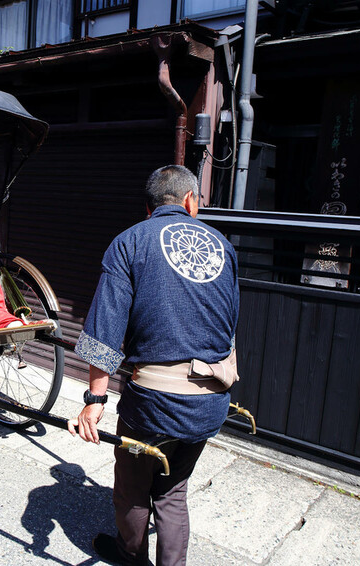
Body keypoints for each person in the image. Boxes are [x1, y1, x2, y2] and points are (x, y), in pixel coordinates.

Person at [68, 165, 239, 566]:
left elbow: (105, 329)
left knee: (132, 489)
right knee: (172, 492)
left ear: (148, 208)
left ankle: (130, 557)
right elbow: (230, 323)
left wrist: (95, 399)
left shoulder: (130, 241)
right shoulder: (223, 246)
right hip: (211, 398)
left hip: (153, 402)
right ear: (190, 201)